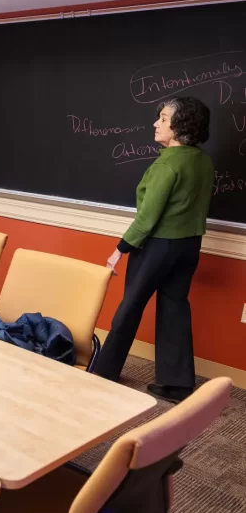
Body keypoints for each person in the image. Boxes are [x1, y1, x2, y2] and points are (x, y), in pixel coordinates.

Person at [95, 97, 213, 403]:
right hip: (189, 245)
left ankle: (103, 373)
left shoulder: (167, 163)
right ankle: (177, 384)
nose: (156, 124)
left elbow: (148, 217)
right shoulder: (202, 160)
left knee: (130, 305)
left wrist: (120, 249)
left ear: (179, 127)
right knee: (175, 307)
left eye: (162, 118)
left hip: (158, 246)